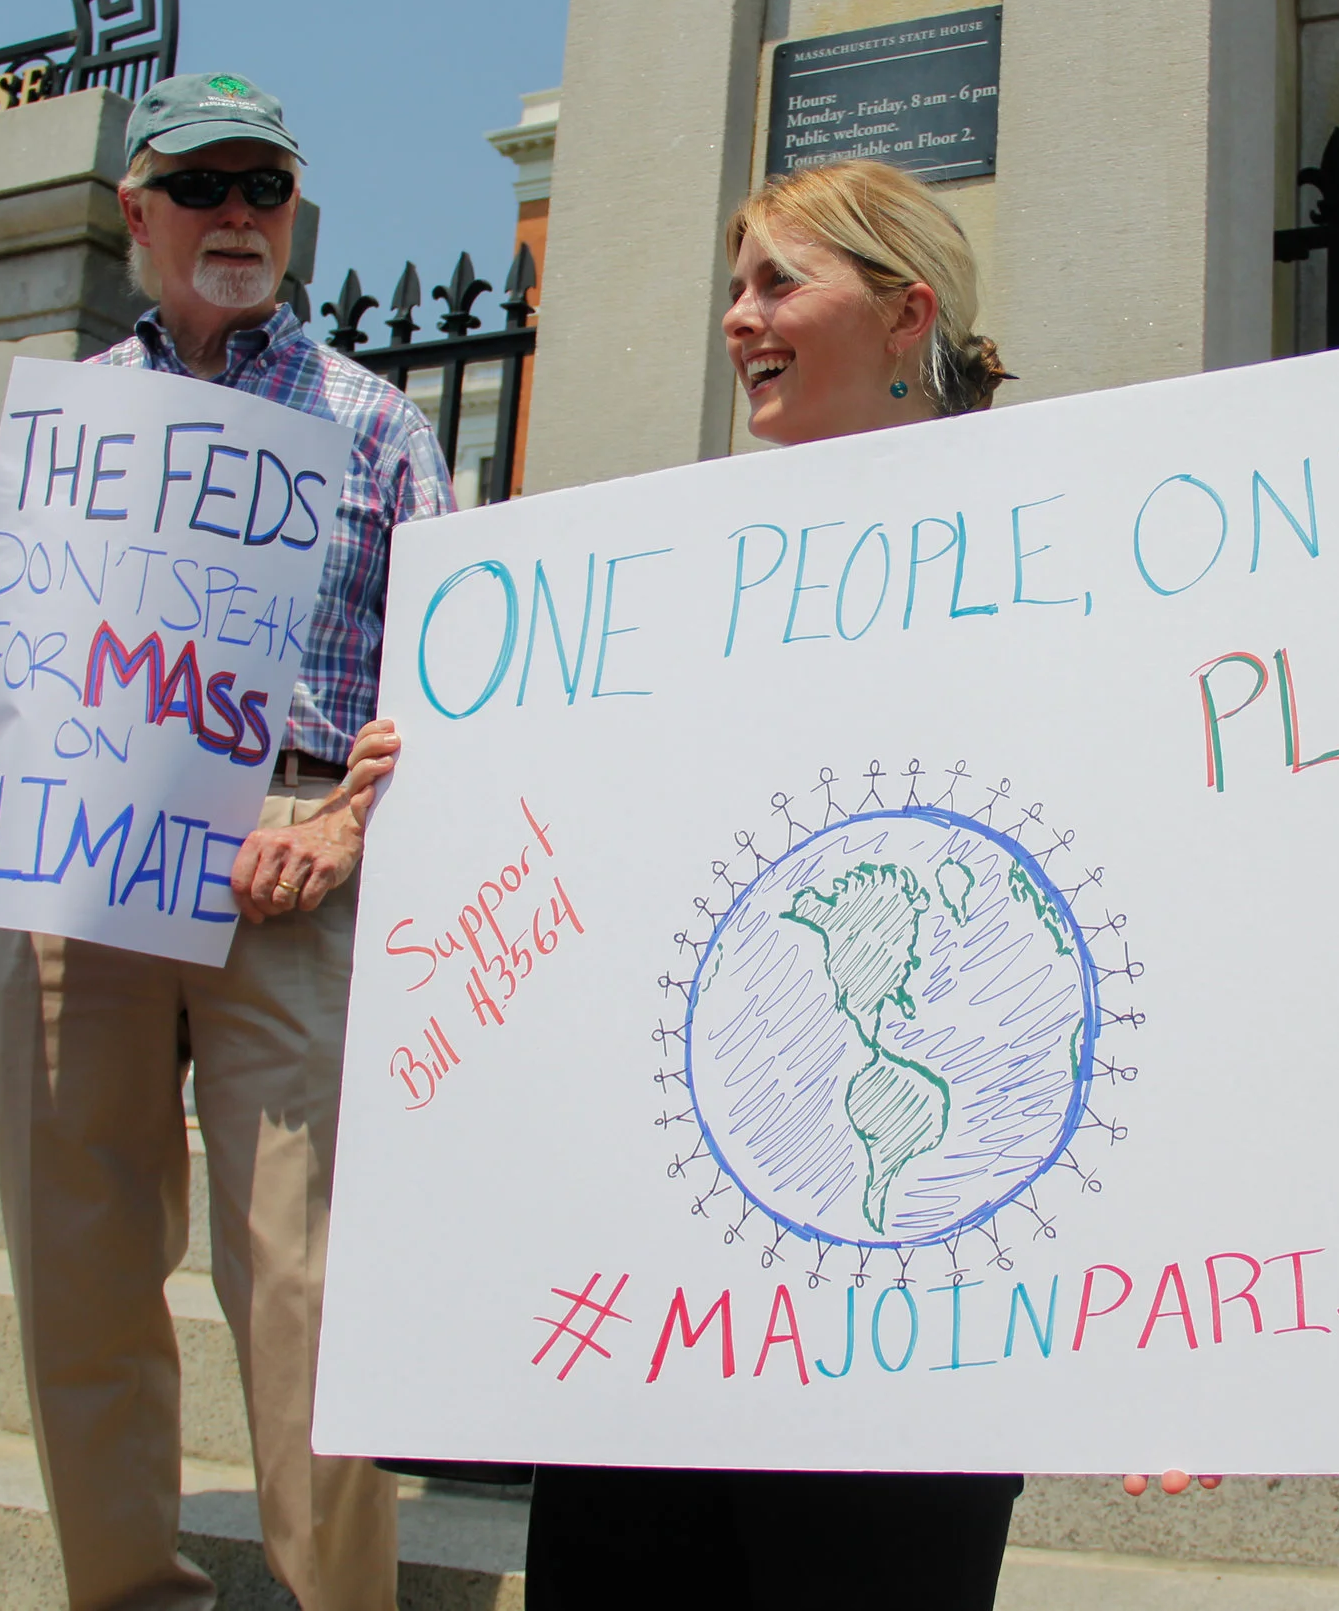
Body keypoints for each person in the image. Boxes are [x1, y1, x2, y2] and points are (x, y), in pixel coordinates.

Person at [478, 158, 1209, 1611]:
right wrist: (438, 777)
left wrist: (1167, 1317)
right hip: (670, 1276)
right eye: (734, 286)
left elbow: (1155, 888)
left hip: (917, 1299)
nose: (739, 318)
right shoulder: (668, 579)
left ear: (904, 314)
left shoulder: (1069, 554)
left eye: (777, 282)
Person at [0, 72, 453, 1611]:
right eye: (200, 185)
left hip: (287, 849)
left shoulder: (375, 424)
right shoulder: (63, 423)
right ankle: (128, 1590)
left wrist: (346, 822)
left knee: (306, 1279)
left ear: (294, 219)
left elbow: (451, 681)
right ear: (137, 213)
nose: (234, 216)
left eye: (261, 189)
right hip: (79, 849)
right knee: (76, 1257)